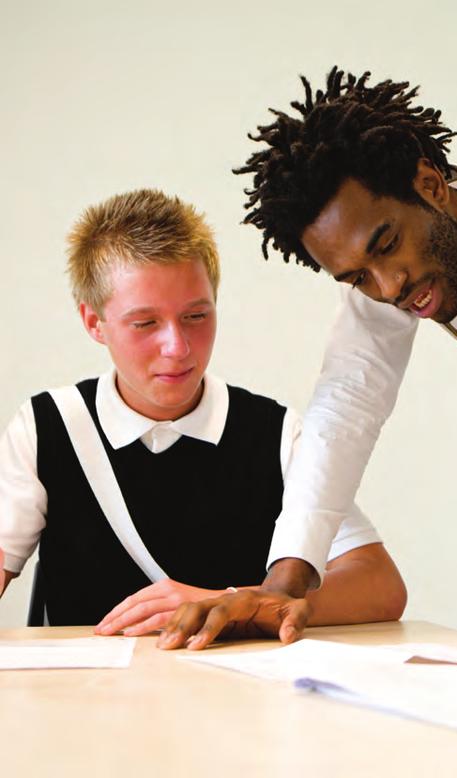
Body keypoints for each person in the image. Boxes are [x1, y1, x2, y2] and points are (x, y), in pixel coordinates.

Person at [155, 68, 457, 661]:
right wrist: (280, 587)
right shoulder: (387, 280)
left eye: (386, 246)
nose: (387, 287)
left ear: (429, 184)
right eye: (356, 276)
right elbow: (347, 405)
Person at [0, 189, 406, 632]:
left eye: (196, 316)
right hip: (83, 697)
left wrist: (234, 604)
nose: (177, 347)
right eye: (145, 324)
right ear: (94, 322)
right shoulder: (47, 428)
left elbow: (380, 585)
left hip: (237, 696)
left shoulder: (273, 433)